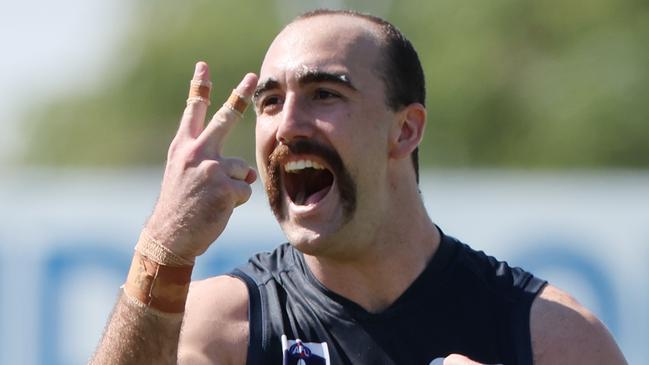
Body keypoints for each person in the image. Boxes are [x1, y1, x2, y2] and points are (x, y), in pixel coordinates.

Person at [90, 9, 627, 365]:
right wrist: (162, 246)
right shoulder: (221, 328)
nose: (287, 124)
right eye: (271, 102)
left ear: (406, 129)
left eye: (325, 94)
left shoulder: (551, 339)